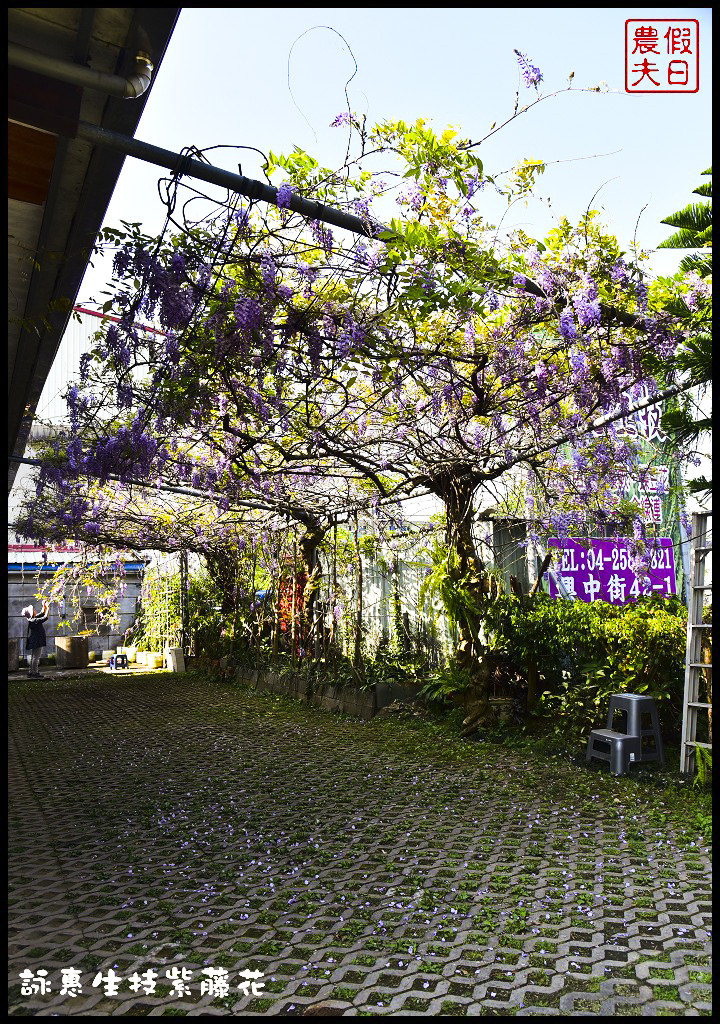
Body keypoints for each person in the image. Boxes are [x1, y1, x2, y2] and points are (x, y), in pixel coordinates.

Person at [22, 600, 50, 679]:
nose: (34, 610)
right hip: (37, 640)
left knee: (34, 657)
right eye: (33, 610)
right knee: (36, 657)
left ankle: (31, 672)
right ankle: (34, 673)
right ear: (32, 613)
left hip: (35, 640)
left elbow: (42, 613)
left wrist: (43, 605)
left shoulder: (33, 618)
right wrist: (47, 607)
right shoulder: (33, 620)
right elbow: (45, 617)